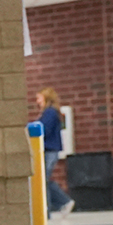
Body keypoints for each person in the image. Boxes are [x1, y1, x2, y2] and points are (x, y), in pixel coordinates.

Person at [36, 87, 73, 216]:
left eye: (39, 98)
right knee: (44, 180)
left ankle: (60, 203)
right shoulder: (50, 112)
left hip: (49, 150)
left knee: (43, 180)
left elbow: (44, 130)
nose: (37, 101)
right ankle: (62, 202)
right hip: (50, 150)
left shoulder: (50, 113)